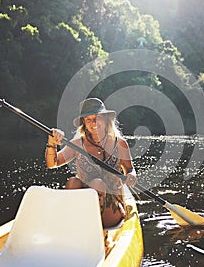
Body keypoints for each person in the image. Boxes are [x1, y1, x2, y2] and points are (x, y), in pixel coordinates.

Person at [45, 97, 138, 228]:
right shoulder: (77, 144)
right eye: (88, 119)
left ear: (106, 119)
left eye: (97, 117)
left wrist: (131, 175)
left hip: (111, 205)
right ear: (84, 123)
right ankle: (73, 227)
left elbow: (129, 169)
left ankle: (99, 235)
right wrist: (52, 143)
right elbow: (52, 164)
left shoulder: (120, 143)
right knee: (73, 182)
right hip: (84, 207)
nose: (93, 122)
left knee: (97, 184)